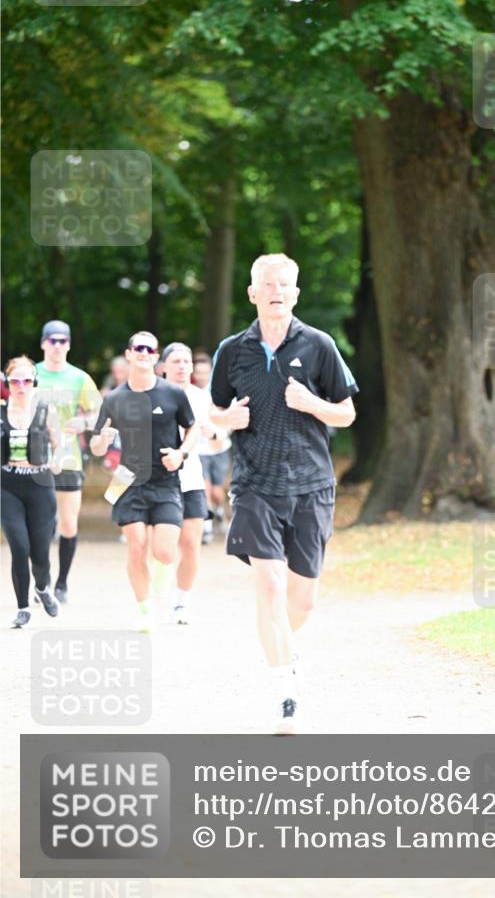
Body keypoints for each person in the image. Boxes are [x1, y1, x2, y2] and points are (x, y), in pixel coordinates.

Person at [210, 253, 358, 734]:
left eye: (285, 284)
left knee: (302, 602)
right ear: (251, 292)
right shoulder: (232, 351)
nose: (276, 291)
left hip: (312, 486)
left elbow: (347, 413)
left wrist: (313, 403)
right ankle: (284, 691)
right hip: (255, 485)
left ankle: (279, 648)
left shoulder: (318, 345)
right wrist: (225, 421)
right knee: (269, 586)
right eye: (267, 284)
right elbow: (213, 411)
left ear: (296, 293)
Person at [90, 331, 199, 633]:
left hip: (165, 480)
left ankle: (164, 565)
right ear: (128, 354)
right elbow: (97, 448)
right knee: (136, 546)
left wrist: (180, 454)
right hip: (128, 479)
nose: (143, 352)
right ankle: (144, 609)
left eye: (149, 349)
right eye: (138, 347)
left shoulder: (173, 393)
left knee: (165, 550)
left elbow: (193, 430)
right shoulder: (114, 399)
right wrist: (103, 439)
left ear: (156, 356)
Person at [35, 319, 102, 604]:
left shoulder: (79, 378)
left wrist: (84, 421)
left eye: (63, 341)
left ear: (70, 345)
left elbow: (100, 413)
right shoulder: (30, 375)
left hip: (69, 458)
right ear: (43, 344)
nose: (58, 346)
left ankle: (61, 583)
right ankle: (42, 581)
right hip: (34, 460)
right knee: (38, 524)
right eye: (53, 341)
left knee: (68, 523)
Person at [161, 343, 226, 621]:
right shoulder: (150, 395)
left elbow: (220, 436)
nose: (182, 366)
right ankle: (151, 595)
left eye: (186, 362)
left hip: (191, 480)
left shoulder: (202, 398)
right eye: (176, 361)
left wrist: (213, 433)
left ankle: (181, 602)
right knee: (162, 548)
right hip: (157, 480)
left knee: (190, 543)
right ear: (163, 366)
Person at [1, 356, 60, 628]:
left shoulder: (46, 410)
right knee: (19, 546)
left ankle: (42, 587)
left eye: (27, 380)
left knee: (40, 553)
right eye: (15, 381)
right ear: (7, 382)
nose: (21, 386)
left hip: (40, 484)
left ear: (34, 382)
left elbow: (60, 444)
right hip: (7, 485)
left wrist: (58, 460)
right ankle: (23, 607)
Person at [193, 353, 231, 540]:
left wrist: (219, 434)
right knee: (204, 488)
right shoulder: (188, 392)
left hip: (219, 448)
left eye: (204, 372)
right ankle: (206, 528)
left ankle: (219, 510)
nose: (201, 376)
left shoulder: (219, 392)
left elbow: (229, 420)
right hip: (199, 450)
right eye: (198, 372)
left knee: (217, 491)